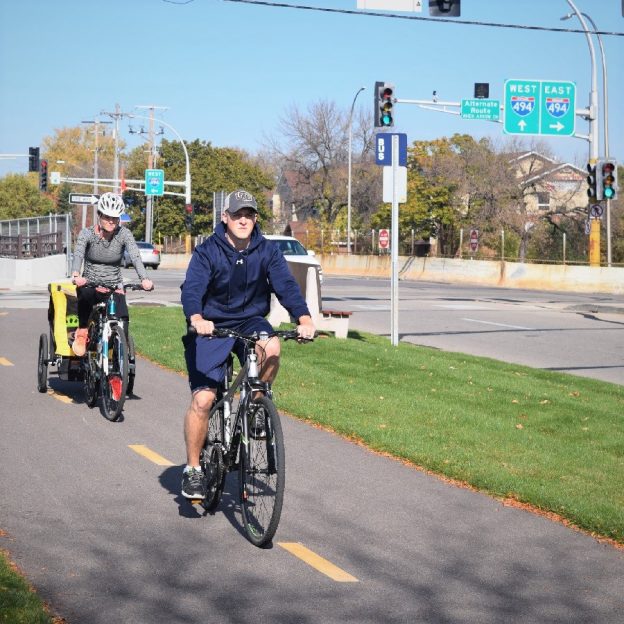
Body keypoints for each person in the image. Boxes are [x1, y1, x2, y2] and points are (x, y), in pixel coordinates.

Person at [180, 189, 316, 499]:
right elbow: (192, 289)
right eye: (238, 214)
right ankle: (192, 469)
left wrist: (304, 318)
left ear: (255, 219)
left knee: (272, 347)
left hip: (250, 321)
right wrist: (197, 317)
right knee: (203, 401)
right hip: (211, 325)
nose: (244, 220)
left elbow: (287, 287)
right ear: (224, 217)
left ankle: (256, 403)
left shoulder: (267, 251)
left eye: (250, 214)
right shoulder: (207, 251)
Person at [71, 192, 153, 357]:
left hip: (113, 285)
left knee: (123, 319)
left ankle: (118, 363)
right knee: (85, 295)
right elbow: (79, 253)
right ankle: (82, 332)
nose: (111, 221)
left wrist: (144, 278)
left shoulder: (124, 234)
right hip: (90, 283)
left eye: (115, 218)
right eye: (107, 217)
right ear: (99, 215)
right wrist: (75, 274)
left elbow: (135, 256)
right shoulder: (87, 234)